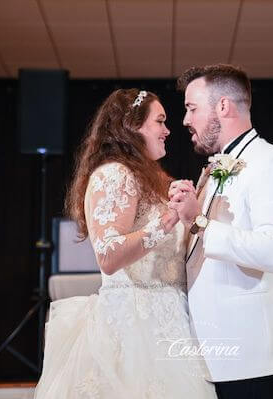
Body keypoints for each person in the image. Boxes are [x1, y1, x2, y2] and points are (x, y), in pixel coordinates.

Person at [34, 89, 217, 399]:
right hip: (134, 327)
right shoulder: (114, 174)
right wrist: (168, 219)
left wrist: (194, 203)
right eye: (160, 121)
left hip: (169, 319)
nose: (167, 130)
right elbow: (108, 255)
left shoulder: (148, 177)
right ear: (132, 126)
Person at [168, 64, 273, 399]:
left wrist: (199, 222)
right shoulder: (217, 166)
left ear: (223, 107)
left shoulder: (270, 161)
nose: (185, 120)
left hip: (250, 353)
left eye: (191, 108)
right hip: (217, 351)